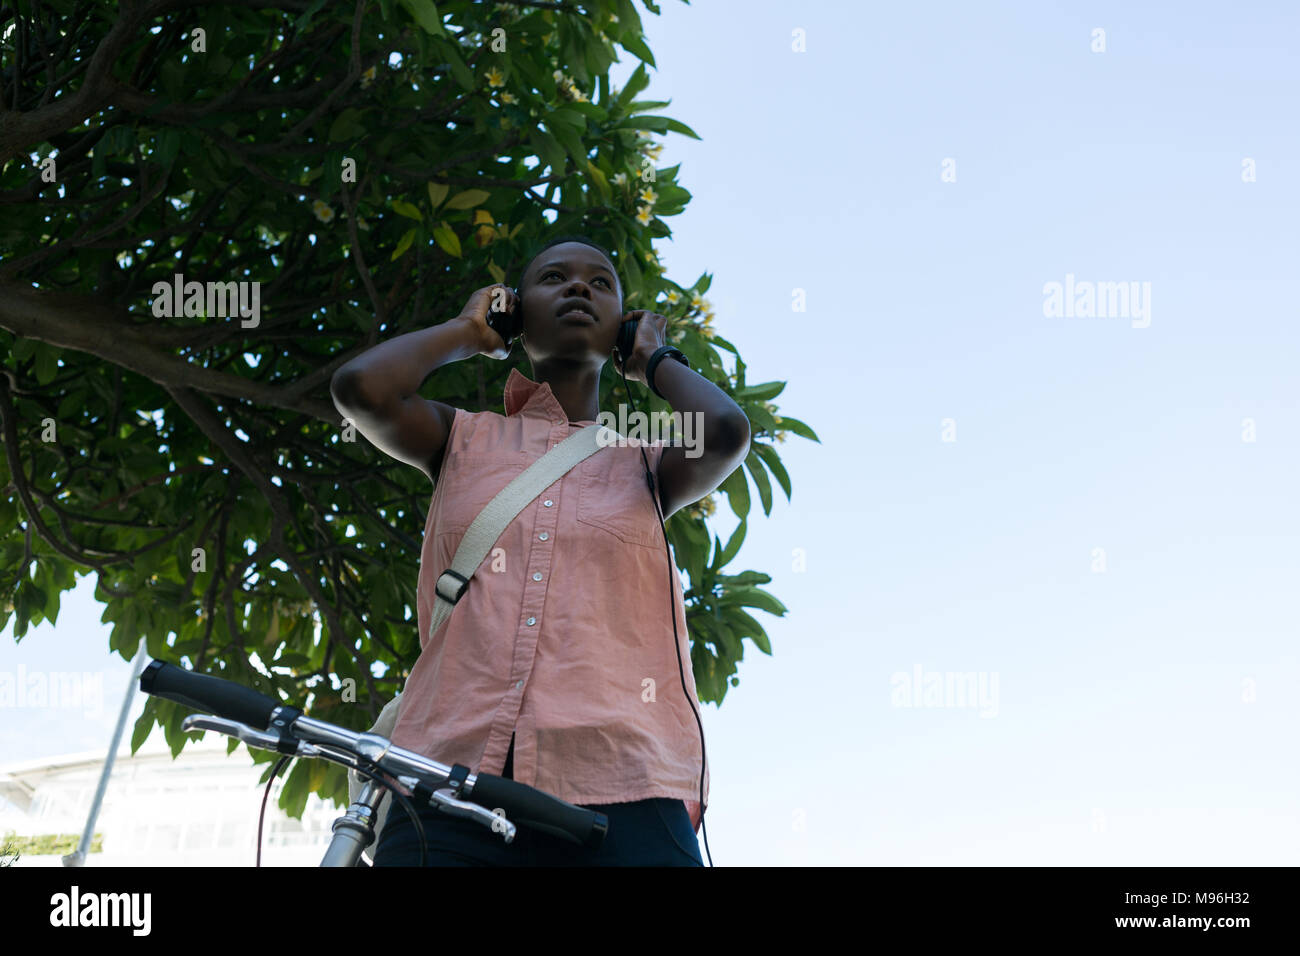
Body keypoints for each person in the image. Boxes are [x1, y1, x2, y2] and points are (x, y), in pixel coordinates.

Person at [329, 235, 751, 865]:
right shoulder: (459, 438)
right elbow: (363, 387)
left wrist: (655, 357)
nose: (579, 288)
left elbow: (724, 430)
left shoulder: (647, 463)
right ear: (517, 313)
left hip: (625, 782)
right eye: (554, 277)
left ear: (620, 328)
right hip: (448, 775)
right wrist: (469, 331)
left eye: (600, 283)